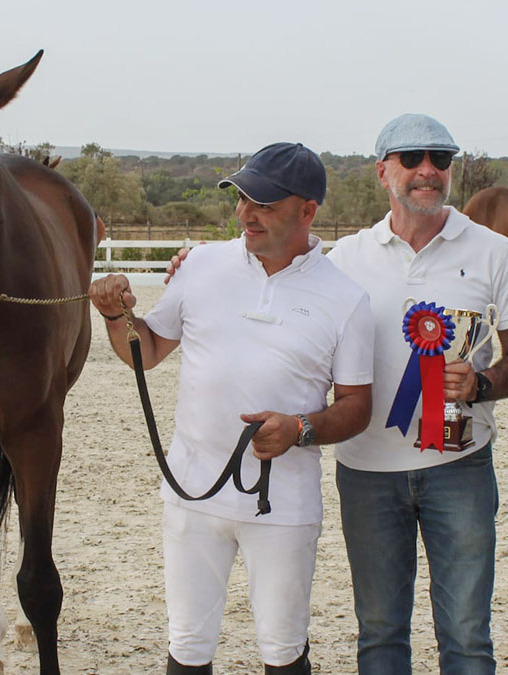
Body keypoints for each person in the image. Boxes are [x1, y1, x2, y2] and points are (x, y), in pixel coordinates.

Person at [90, 142, 374, 674]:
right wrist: (115, 315)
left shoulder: (345, 298)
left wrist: (301, 429)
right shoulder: (200, 265)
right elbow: (147, 351)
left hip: (282, 503)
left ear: (308, 210)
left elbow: (357, 406)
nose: (246, 214)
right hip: (191, 492)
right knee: (188, 645)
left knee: (283, 648)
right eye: (243, 198)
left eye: (264, 204)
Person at [326, 113, 508, 674]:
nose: (427, 171)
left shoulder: (493, 251)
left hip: (460, 465)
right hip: (367, 470)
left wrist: (484, 383)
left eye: (440, 159)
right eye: (411, 158)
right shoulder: (343, 260)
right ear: (382, 171)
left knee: (466, 637)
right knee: (380, 635)